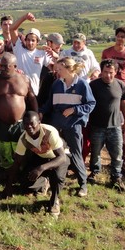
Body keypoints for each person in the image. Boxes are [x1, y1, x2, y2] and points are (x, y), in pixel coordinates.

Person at [39, 57, 95, 197]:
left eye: (60, 69)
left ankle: (83, 185)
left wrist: (74, 110)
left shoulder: (82, 84)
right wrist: (41, 111)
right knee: (53, 153)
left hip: (73, 125)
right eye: (56, 69)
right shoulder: (57, 84)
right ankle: (49, 183)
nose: (57, 72)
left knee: (76, 153)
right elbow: (50, 103)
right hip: (56, 125)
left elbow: (91, 104)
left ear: (69, 69)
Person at [4, 111, 70, 217]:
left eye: (32, 123)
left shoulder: (50, 132)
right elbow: (17, 162)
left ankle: (54, 201)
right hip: (42, 158)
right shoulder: (24, 138)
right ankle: (44, 183)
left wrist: (41, 168)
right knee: (26, 180)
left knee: (57, 177)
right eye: (25, 124)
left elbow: (62, 157)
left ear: (39, 122)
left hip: (59, 158)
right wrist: (8, 186)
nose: (29, 127)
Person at [0, 53, 38, 171]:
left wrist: (36, 117)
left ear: (15, 66)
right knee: (3, 151)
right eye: (1, 66)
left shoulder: (24, 80)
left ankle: (19, 173)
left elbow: (32, 98)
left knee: (20, 150)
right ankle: (5, 174)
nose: (2, 69)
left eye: (6, 66)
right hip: (1, 124)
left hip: (20, 124)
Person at [87, 59, 125, 192]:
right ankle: (94, 172)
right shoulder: (93, 85)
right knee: (95, 152)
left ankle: (116, 177)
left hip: (115, 126)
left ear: (115, 72)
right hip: (96, 125)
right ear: (101, 71)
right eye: (105, 72)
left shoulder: (120, 85)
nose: (108, 75)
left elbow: (124, 103)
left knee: (117, 153)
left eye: (111, 72)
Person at [9, 12, 54, 96]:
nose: (30, 42)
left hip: (34, 93)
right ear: (25, 40)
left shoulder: (42, 53)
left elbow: (53, 68)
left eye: (33, 40)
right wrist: (24, 17)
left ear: (37, 42)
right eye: (28, 40)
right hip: (18, 92)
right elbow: (12, 29)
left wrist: (56, 56)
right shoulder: (18, 48)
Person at [101, 26, 125, 91]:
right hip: (108, 84)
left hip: (123, 85)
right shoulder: (106, 52)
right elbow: (101, 69)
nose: (119, 38)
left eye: (122, 37)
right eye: (118, 36)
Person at [37, 32, 65, 107]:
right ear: (49, 43)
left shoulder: (63, 53)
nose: (59, 46)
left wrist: (57, 58)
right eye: (57, 43)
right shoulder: (43, 53)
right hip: (43, 89)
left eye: (60, 44)